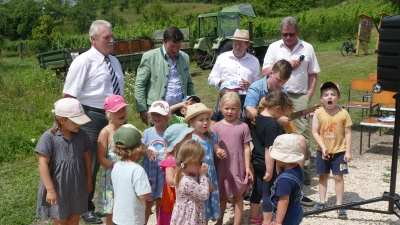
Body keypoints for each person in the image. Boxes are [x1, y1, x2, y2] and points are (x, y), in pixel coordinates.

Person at [62, 20, 124, 223]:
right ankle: (85, 207)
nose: (111, 40)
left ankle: (113, 202)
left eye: (112, 36)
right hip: (91, 117)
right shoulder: (83, 62)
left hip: (114, 117)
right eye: (107, 37)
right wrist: (70, 125)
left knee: (116, 158)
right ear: (93, 39)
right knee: (90, 163)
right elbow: (68, 96)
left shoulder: (113, 61)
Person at [261, 16, 321, 187]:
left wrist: (308, 96)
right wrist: (286, 64)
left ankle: (304, 170)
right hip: (279, 95)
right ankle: (280, 167)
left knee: (301, 132)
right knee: (278, 129)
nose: (287, 38)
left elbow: (313, 74)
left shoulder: (307, 48)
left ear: (297, 32)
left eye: (291, 34)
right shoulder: (274, 47)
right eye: (284, 34)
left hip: (300, 95)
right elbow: (265, 71)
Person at [249, 91, 305, 225]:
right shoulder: (272, 125)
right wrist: (269, 170)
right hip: (267, 163)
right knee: (269, 192)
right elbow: (269, 149)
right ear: (278, 108)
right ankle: (268, 221)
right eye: (284, 112)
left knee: (258, 189)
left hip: (257, 161)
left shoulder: (259, 116)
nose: (284, 116)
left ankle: (254, 217)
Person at [35, 98, 92, 225]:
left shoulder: (82, 135)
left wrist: (89, 180)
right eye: (76, 121)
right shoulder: (49, 137)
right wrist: (50, 190)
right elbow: (42, 163)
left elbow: (87, 158)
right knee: (61, 219)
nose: (80, 124)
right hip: (58, 186)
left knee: (75, 218)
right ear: (62, 120)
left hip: (77, 184)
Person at [135, 26, 195, 125]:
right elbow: (140, 85)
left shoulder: (184, 57)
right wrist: (142, 109)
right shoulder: (149, 57)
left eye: (178, 46)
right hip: (158, 111)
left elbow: (189, 82)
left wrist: (192, 103)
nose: (175, 50)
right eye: (172, 46)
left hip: (181, 110)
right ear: (164, 41)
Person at [311, 82, 352, 219]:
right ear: (321, 98)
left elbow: (348, 133)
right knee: (323, 176)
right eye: (326, 94)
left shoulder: (344, 113)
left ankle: (339, 205)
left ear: (338, 97)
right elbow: (315, 132)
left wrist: (348, 151)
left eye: (333, 94)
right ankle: (322, 201)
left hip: (340, 151)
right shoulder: (318, 113)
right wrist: (323, 147)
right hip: (322, 151)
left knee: (338, 177)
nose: (330, 97)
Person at [211, 92, 252, 225]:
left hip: (238, 166)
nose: (229, 111)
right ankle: (219, 222)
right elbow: (212, 145)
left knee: (238, 196)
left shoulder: (243, 126)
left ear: (239, 108)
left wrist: (247, 167)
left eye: (233, 108)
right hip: (222, 167)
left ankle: (237, 223)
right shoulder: (216, 127)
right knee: (222, 197)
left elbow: (247, 147)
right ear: (221, 107)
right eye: (226, 108)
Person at [184, 103, 228, 223]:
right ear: (191, 121)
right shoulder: (190, 138)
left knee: (206, 207)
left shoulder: (210, 135)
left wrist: (219, 151)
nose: (205, 122)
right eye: (201, 120)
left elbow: (216, 147)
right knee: (198, 206)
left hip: (210, 174)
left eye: (207, 119)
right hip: (196, 176)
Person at [96, 95, 129, 225]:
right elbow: (101, 158)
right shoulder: (105, 132)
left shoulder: (128, 129)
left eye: (124, 109)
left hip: (128, 175)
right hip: (113, 177)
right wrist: (114, 165)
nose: (122, 113)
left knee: (127, 208)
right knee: (113, 211)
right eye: (117, 111)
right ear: (108, 114)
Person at [208, 29, 260, 108]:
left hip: (246, 99)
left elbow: (258, 84)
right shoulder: (222, 58)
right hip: (226, 97)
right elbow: (211, 79)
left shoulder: (254, 61)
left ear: (247, 45)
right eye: (235, 44)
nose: (237, 47)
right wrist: (221, 82)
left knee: (245, 120)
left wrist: (250, 85)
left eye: (240, 44)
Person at [111, 124, 152, 225]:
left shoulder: (116, 166)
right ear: (137, 149)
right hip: (133, 220)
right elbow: (143, 195)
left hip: (118, 218)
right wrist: (148, 185)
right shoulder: (137, 170)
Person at [141, 100, 172, 223]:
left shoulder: (170, 133)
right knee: (147, 201)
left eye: (160, 114)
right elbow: (139, 149)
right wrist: (147, 151)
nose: (156, 117)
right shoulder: (147, 133)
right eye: (154, 114)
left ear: (167, 116)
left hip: (164, 173)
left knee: (161, 201)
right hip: (150, 172)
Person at [158, 124, 194, 225]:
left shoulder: (186, 158)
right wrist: (187, 180)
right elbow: (170, 181)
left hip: (183, 194)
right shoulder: (171, 161)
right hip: (173, 196)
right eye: (188, 141)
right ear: (177, 144)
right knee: (173, 217)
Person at [170, 140, 210, 225]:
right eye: (200, 162)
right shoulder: (186, 181)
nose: (202, 164)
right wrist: (203, 176)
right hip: (189, 218)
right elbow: (204, 194)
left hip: (188, 215)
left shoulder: (183, 174)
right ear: (193, 162)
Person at [270, 134, 305, 225]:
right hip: (296, 212)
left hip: (286, 217)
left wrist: (278, 222)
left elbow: (283, 202)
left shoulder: (284, 180)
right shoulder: (298, 169)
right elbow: (280, 173)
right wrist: (280, 163)